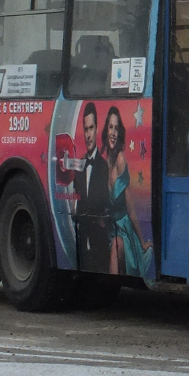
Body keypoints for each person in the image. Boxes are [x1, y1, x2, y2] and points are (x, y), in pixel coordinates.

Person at [103, 106, 152, 276]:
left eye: (116, 128)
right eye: (110, 127)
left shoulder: (120, 160)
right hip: (110, 229)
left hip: (124, 231)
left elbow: (130, 207)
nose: (113, 133)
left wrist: (142, 241)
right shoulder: (105, 161)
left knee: (116, 246)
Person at [73, 103, 112, 273]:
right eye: (85, 129)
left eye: (91, 128)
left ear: (97, 130)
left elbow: (103, 205)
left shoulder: (104, 167)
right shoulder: (79, 166)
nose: (88, 134)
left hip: (99, 245)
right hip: (82, 243)